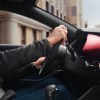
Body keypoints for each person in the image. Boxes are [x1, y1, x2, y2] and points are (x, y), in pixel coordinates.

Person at [0, 25, 75, 100]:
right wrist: (48, 41)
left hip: (5, 92)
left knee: (53, 81)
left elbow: (4, 74)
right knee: (59, 93)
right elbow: (3, 62)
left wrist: (32, 67)